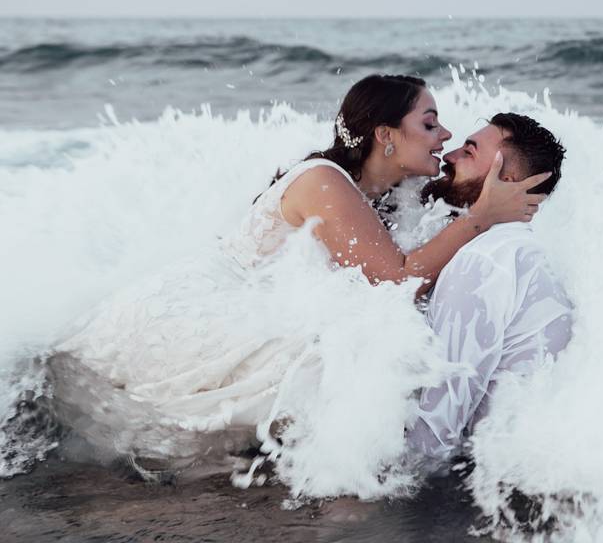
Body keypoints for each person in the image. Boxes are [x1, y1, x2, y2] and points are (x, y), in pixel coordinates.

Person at [51, 76, 551, 466]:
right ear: (386, 135)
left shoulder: (391, 195)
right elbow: (394, 280)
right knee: (338, 356)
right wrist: (483, 215)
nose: (444, 135)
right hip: (202, 312)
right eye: (429, 123)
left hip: (257, 308)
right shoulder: (325, 183)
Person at [407, 113, 574, 461]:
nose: (448, 157)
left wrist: (376, 496)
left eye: (468, 152)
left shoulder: (482, 261)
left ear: (507, 181)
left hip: (490, 483)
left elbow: (438, 428)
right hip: (521, 466)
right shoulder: (525, 250)